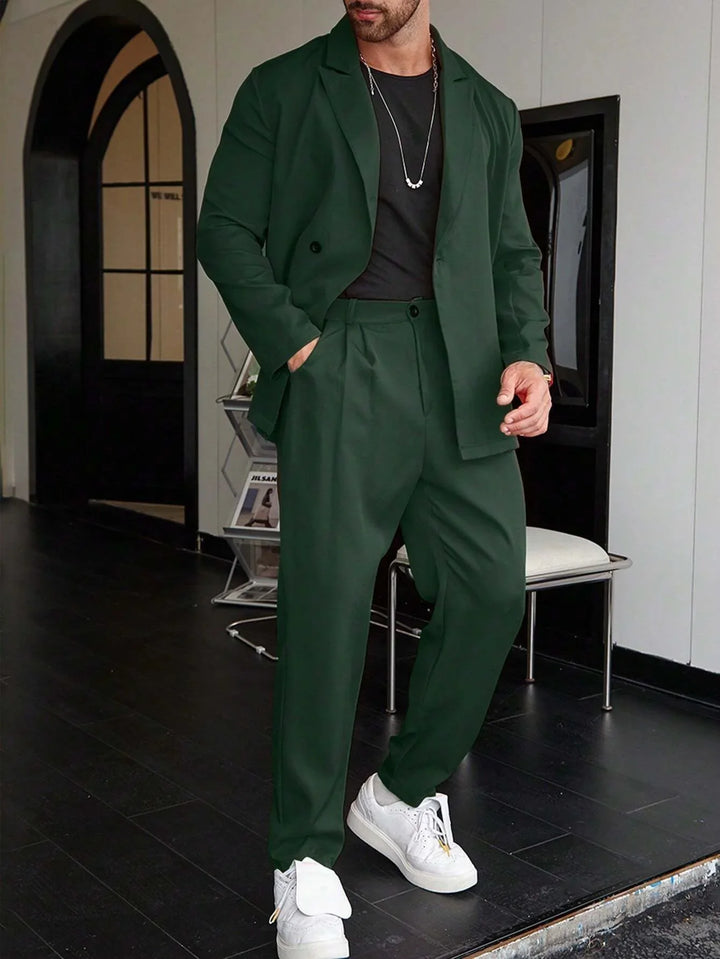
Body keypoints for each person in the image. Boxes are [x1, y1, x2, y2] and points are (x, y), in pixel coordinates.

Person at [197, 1, 552, 956]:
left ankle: (397, 794)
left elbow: (513, 253)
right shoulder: (284, 87)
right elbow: (224, 226)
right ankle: (302, 858)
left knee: (486, 587)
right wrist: (296, 341)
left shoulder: (486, 106)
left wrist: (530, 355)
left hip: (465, 370)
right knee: (325, 609)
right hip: (343, 354)